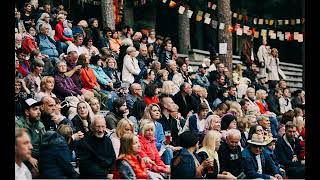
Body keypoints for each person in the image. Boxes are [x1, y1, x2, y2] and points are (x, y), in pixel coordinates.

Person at [77, 114, 116, 179]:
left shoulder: (108, 140)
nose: (100, 130)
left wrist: (111, 172)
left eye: (103, 126)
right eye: (98, 126)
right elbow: (86, 167)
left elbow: (113, 159)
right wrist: (106, 174)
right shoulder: (84, 142)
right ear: (92, 127)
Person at [15, 98, 46, 178]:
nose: (39, 112)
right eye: (35, 109)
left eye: (39, 109)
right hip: (23, 159)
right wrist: (30, 159)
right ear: (27, 112)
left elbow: (45, 145)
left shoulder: (40, 125)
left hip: (39, 159)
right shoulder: (18, 125)